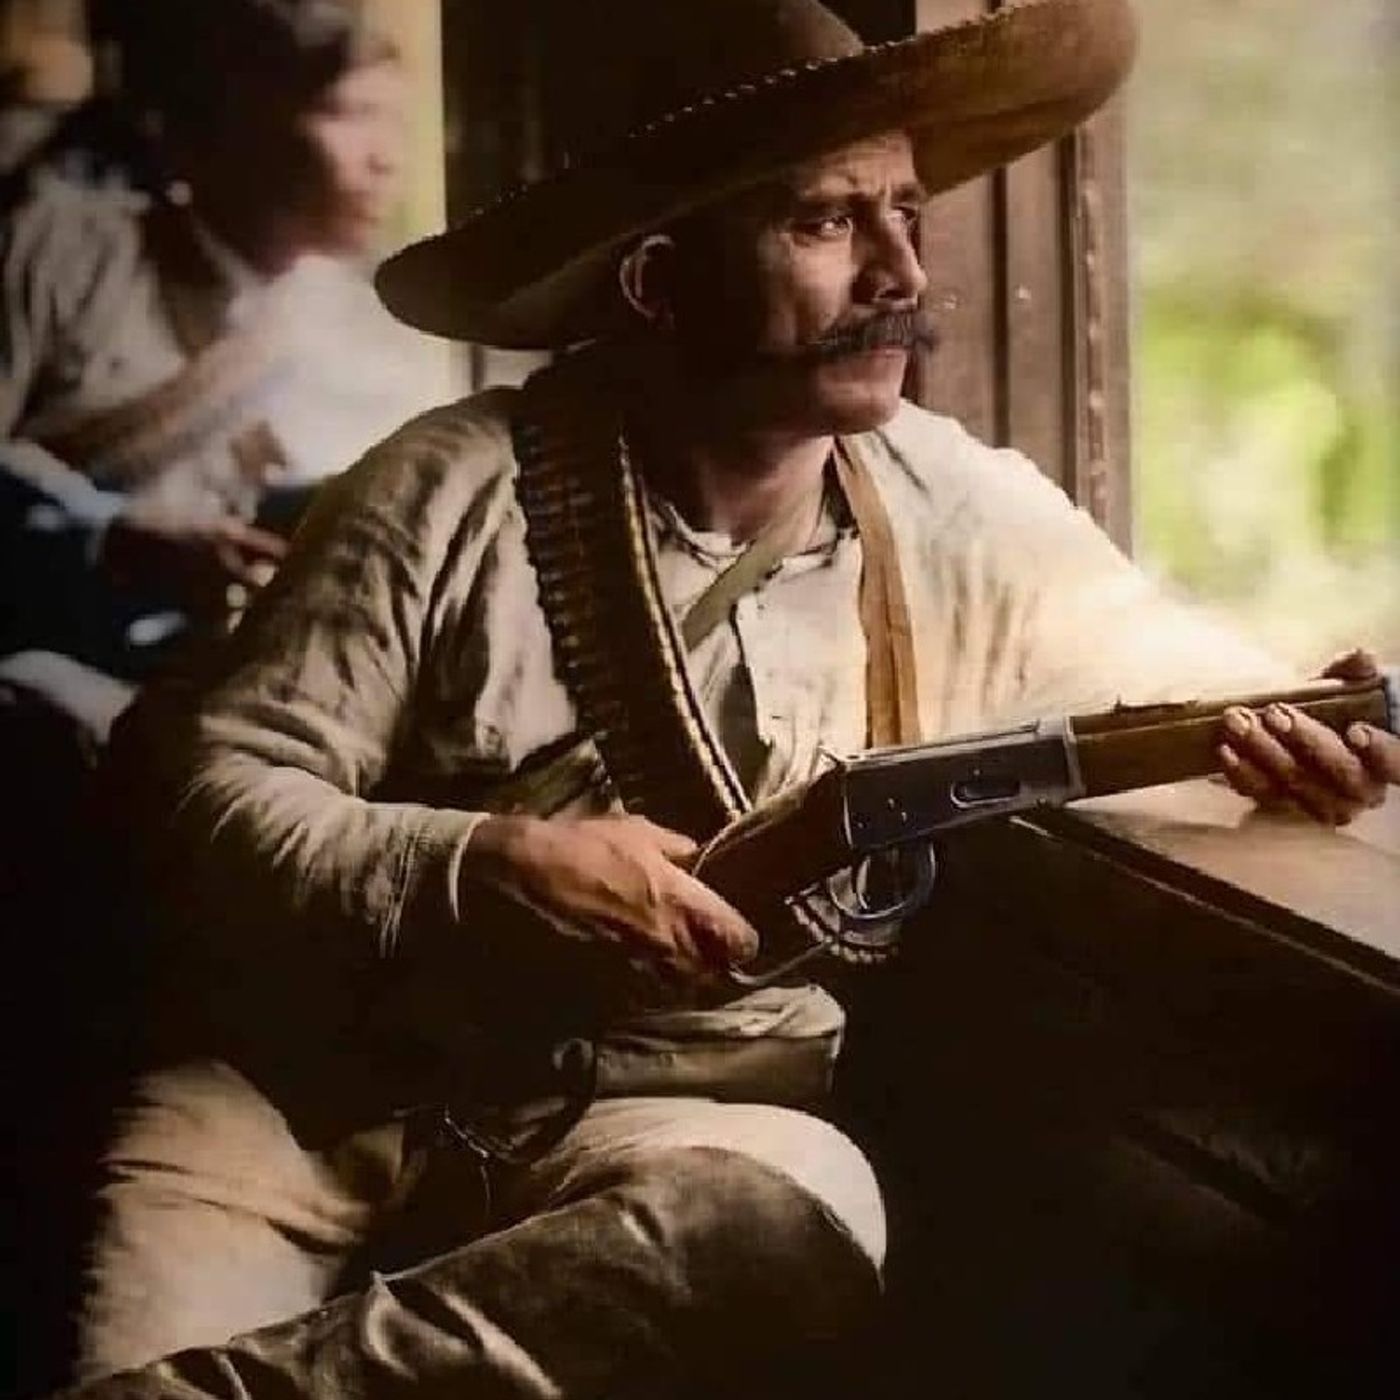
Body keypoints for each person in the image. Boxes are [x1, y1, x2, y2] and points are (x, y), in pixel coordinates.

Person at [55, 1, 1399, 1397]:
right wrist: (478, 863)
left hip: (664, 1108)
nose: (900, 270)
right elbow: (203, 794)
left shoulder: (961, 510)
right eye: (825, 222)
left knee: (789, 1226)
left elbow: (1176, 674)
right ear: (657, 280)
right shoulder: (446, 485)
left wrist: (1304, 733)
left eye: (903, 212)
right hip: (300, 1097)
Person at [0, 0, 443, 742]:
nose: (386, 156)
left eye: (396, 120)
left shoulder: (373, 328)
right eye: (351, 114)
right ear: (242, 123)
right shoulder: (63, 253)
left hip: (243, 703)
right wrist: (108, 536)